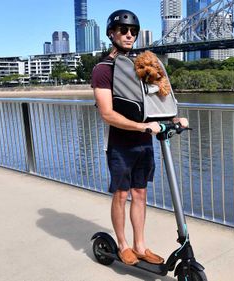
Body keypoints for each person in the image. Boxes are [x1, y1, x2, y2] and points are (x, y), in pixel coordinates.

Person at [91, 9, 188, 266]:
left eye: (133, 31)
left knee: (141, 194)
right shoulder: (103, 69)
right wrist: (141, 127)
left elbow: (153, 103)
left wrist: (173, 119)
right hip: (120, 144)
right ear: (111, 33)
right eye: (123, 30)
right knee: (121, 195)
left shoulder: (138, 66)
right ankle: (123, 245)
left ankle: (140, 246)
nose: (129, 35)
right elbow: (107, 114)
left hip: (144, 142)